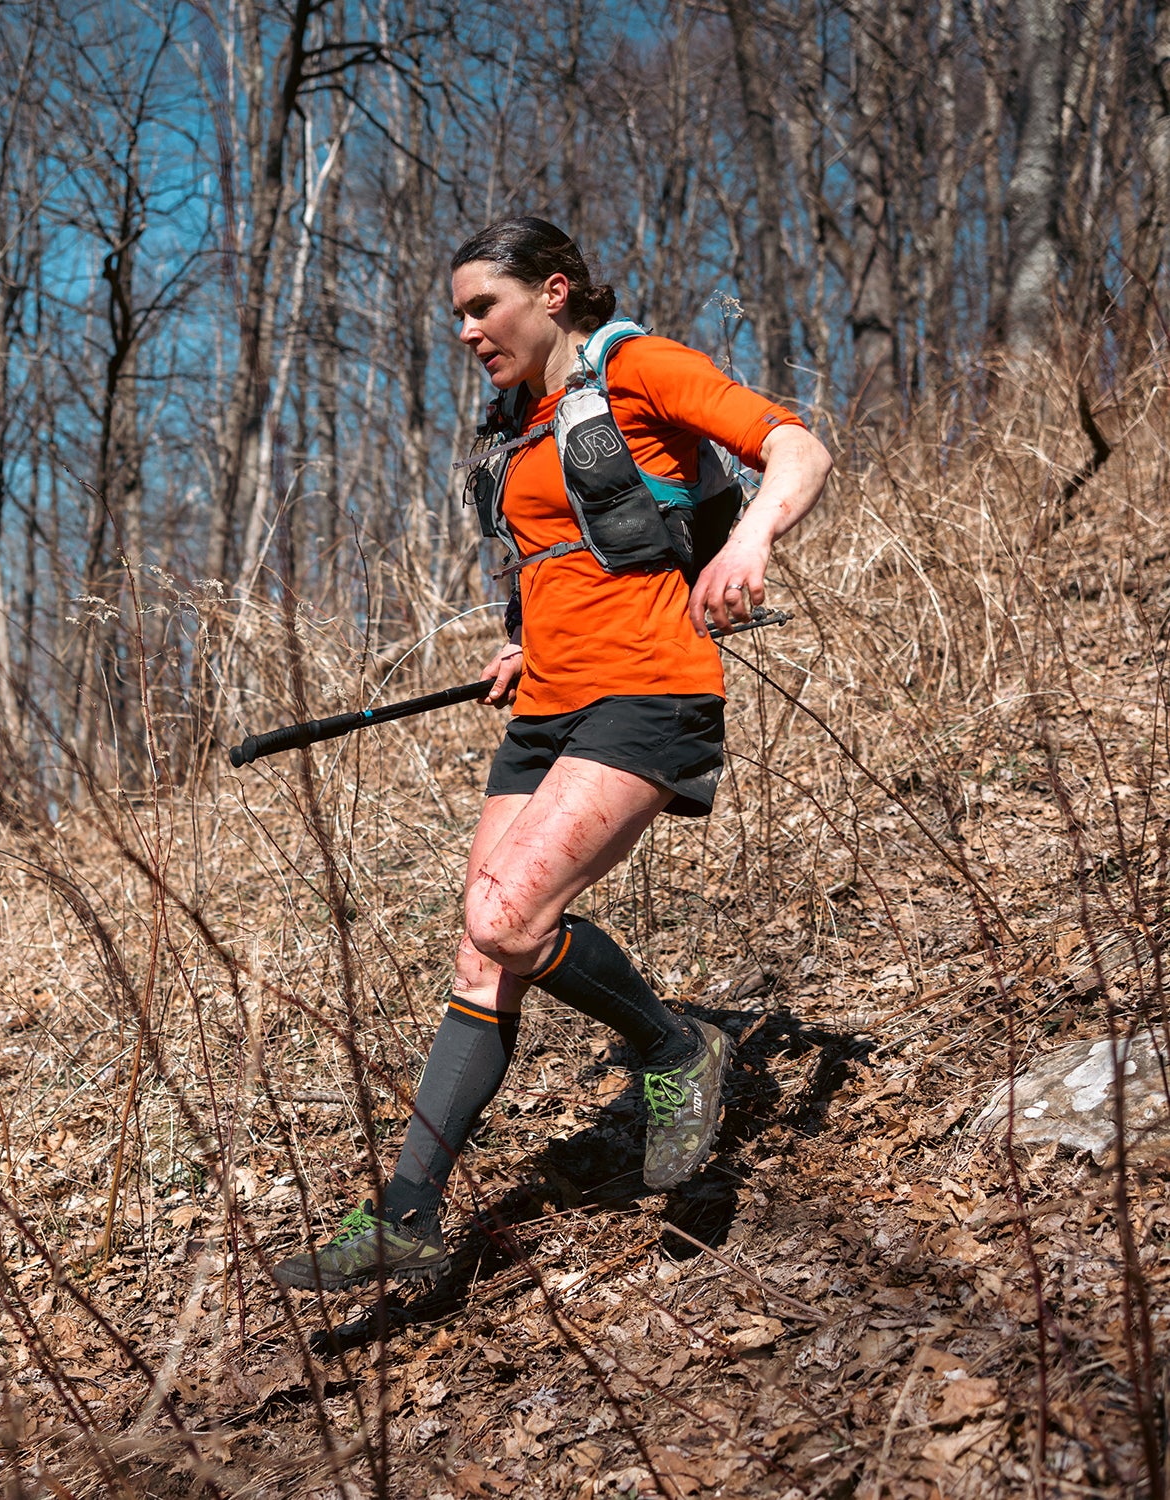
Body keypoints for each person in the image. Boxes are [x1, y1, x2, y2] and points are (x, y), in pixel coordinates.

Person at [272, 217, 831, 1292]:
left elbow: (795, 446)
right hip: (546, 711)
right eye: (458, 317)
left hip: (650, 692)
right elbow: (569, 551)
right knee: (483, 953)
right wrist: (523, 643)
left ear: (556, 291)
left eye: (484, 307)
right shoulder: (518, 421)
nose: (468, 331)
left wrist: (754, 539)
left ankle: (677, 1050)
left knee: (509, 915)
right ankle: (406, 1215)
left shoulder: (641, 367)